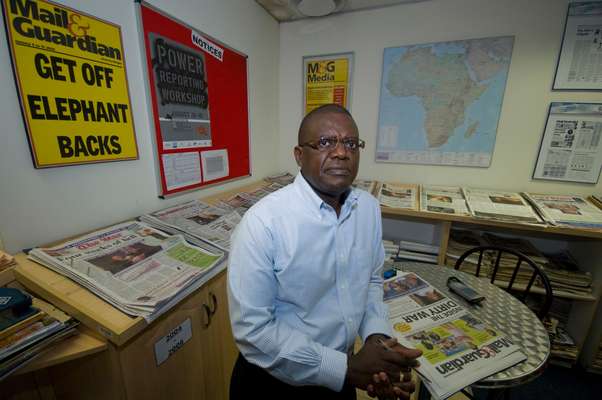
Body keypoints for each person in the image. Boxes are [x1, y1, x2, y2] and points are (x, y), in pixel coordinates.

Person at [227, 104, 422, 399]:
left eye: (351, 143)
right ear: (299, 155)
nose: (342, 152)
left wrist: (378, 343)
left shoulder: (367, 208)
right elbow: (253, 331)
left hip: (346, 374)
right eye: (325, 142)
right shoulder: (263, 223)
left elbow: (370, 281)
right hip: (274, 382)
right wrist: (345, 369)